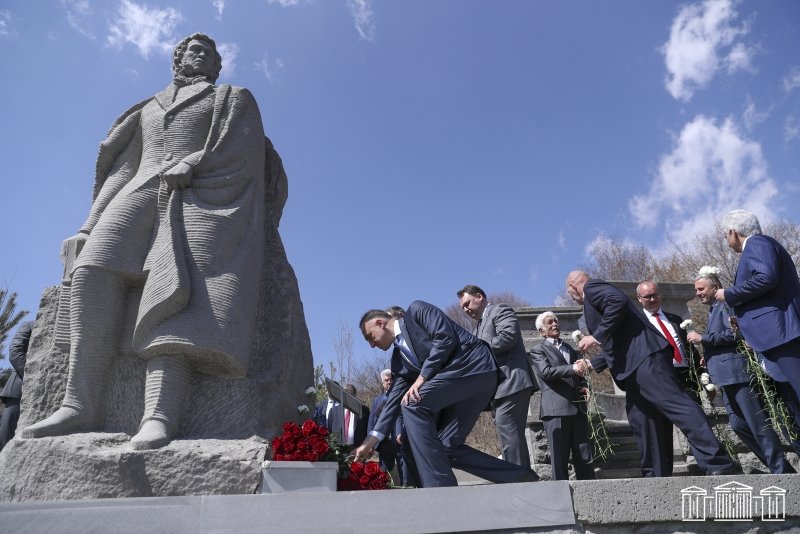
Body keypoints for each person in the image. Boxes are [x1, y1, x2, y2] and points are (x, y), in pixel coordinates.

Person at [22, 33, 268, 450]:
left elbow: (244, 150)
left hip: (195, 198)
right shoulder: (148, 106)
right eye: (193, 50)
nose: (201, 56)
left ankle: (158, 416)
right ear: (177, 58)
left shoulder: (230, 97)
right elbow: (122, 168)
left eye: (209, 53)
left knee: (177, 296)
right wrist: (88, 226)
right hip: (137, 191)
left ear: (216, 66)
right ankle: (78, 405)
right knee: (91, 273)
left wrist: (195, 161)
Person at [565, 270, 738, 476]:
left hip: (646, 360)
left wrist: (596, 336)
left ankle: (718, 464)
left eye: (569, 292)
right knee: (643, 420)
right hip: (633, 366)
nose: (571, 296)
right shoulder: (593, 299)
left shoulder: (592, 288)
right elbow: (623, 341)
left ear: (573, 286)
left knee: (679, 406)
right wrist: (593, 362)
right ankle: (656, 475)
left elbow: (618, 302)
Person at [353, 302, 539, 487]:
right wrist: (372, 439)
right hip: (457, 389)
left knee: (412, 403)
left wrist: (422, 377)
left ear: (380, 323)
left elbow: (445, 338)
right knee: (446, 447)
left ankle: (439, 488)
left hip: (474, 367)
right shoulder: (398, 361)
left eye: (370, 337)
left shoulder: (416, 312)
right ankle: (520, 476)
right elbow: (393, 401)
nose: (372, 345)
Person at [688, 268, 794, 474]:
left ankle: (781, 471)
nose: (698, 293)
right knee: (738, 426)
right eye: (696, 290)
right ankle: (781, 469)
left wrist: (703, 339)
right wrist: (707, 357)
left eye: (701, 289)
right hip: (725, 378)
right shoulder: (713, 310)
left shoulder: (727, 304)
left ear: (715, 287)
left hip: (739, 375)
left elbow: (738, 333)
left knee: (758, 425)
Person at [716, 209, 800, 400]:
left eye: (725, 235)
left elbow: (766, 277)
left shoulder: (756, 243)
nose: (726, 241)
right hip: (782, 332)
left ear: (733, 232)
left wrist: (728, 293)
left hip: (781, 333)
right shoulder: (761, 245)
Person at [457, 285, 535, 469]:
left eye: (467, 303)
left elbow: (508, 336)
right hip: (498, 390)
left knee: (508, 431)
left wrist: (478, 351)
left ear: (479, 296)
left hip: (512, 382)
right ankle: (523, 476)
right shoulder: (477, 327)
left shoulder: (500, 310)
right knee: (509, 435)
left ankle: (517, 479)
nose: (466, 309)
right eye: (463, 307)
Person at [529, 312, 595, 480]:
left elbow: (579, 375)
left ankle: (589, 489)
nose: (555, 324)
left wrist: (584, 386)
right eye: (550, 322)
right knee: (559, 458)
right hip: (555, 411)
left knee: (585, 455)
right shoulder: (538, 350)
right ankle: (560, 493)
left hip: (578, 408)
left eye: (556, 321)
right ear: (541, 331)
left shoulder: (569, 348)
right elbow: (546, 372)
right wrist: (573, 368)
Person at [0, 322, 33, 450]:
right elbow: (15, 353)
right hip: (18, 391)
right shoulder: (30, 325)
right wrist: (33, 378)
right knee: (6, 441)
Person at [367, 370, 398, 473]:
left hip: (400, 439)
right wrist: (369, 444)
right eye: (386, 380)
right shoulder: (377, 400)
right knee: (384, 472)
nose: (389, 382)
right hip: (385, 442)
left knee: (404, 472)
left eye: (391, 379)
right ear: (382, 382)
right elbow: (371, 422)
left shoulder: (403, 395)